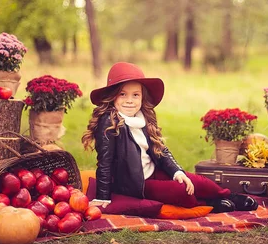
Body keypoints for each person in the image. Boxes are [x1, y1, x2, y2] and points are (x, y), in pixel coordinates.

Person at [81, 62, 258, 213]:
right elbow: (104, 162)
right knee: (181, 192)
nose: (129, 100)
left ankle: (229, 196)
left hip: (154, 171)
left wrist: (176, 171)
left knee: (197, 181)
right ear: (112, 96)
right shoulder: (109, 122)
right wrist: (102, 196)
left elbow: (161, 151)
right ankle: (208, 204)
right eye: (122, 94)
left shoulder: (142, 118)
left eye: (135, 95)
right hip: (136, 183)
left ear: (142, 97)